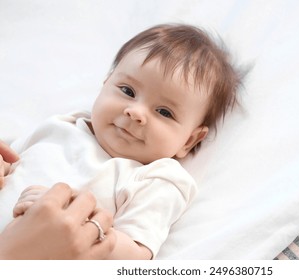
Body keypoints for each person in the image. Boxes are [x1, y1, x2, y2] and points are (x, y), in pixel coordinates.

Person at [0, 24, 243, 259]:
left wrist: (81, 221)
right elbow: (12, 163)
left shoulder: (156, 179)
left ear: (189, 140)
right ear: (105, 85)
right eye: (127, 91)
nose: (135, 112)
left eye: (164, 112)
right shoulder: (60, 126)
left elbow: (136, 255)